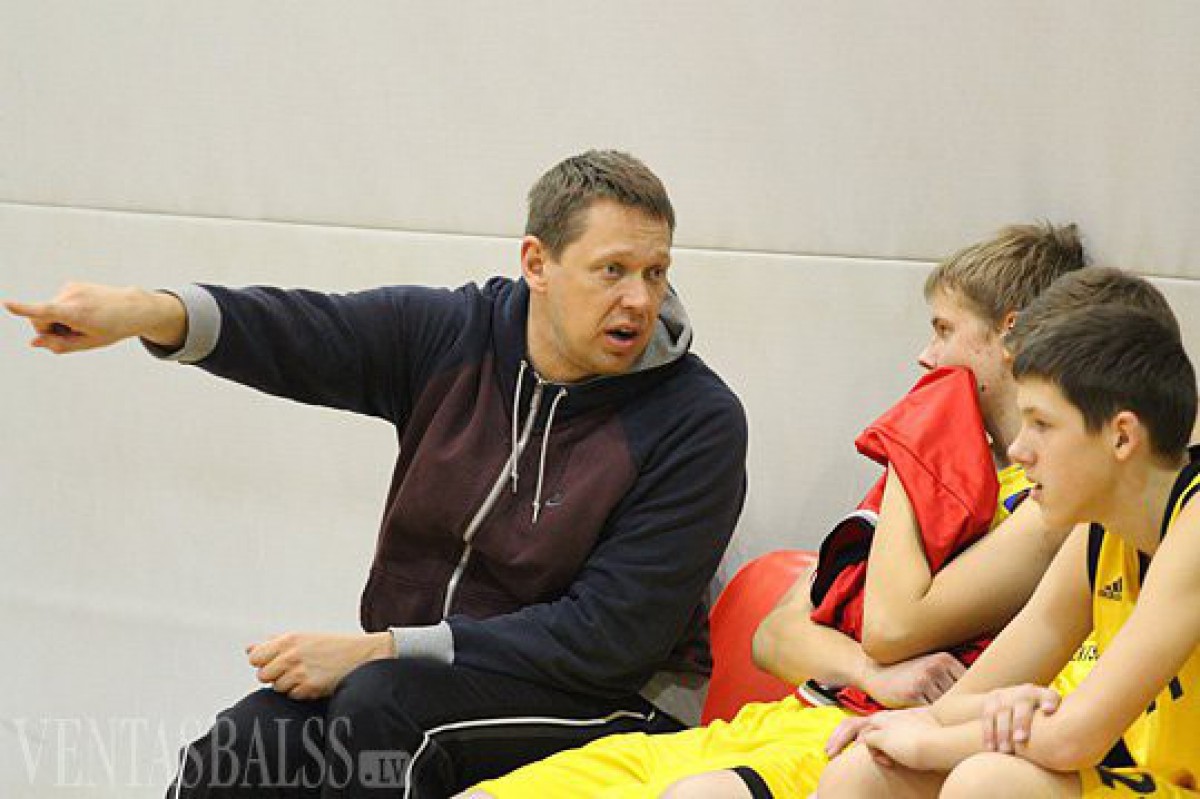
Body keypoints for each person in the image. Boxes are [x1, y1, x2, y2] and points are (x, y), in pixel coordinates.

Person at [3, 150, 749, 798]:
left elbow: (606, 637)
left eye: (655, 272)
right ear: (536, 263)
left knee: (384, 710)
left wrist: (385, 647)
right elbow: (303, 333)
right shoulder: (454, 337)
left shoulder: (697, 420)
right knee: (239, 749)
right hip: (429, 676)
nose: (639, 300)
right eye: (612, 270)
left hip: (615, 703)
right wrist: (144, 312)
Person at [461, 223, 1093, 799]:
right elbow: (777, 636)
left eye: (944, 330)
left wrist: (913, 442)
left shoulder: (1047, 501)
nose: (926, 357)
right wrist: (868, 672)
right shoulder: (931, 465)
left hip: (864, 743)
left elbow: (894, 626)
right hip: (781, 719)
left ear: (1010, 333)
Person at [816, 300, 1199, 798]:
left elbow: (1074, 739)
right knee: (864, 770)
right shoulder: (1101, 531)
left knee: (988, 783)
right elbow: (959, 704)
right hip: (1156, 780)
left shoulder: (1193, 524)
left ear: (1122, 436)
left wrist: (931, 744)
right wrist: (996, 709)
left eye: (1041, 424)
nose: (1018, 450)